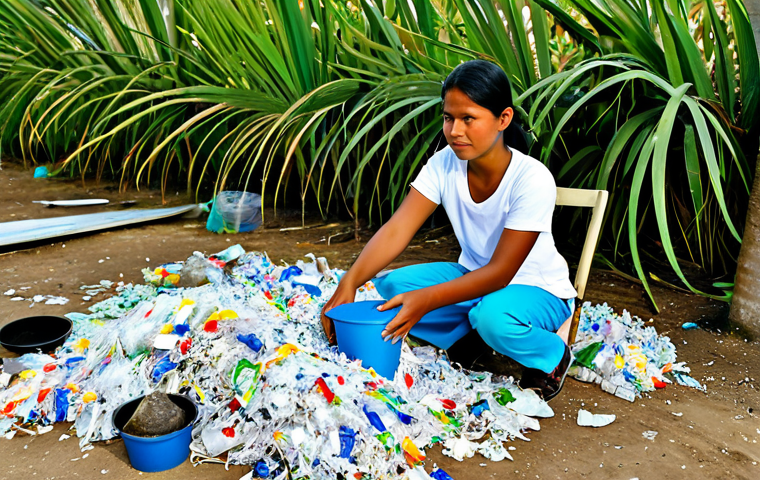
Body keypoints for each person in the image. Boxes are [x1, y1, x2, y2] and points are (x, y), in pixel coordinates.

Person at [320, 60, 577, 401]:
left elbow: (501, 273)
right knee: (393, 287)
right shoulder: (444, 163)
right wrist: (348, 283)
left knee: (493, 317)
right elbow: (398, 229)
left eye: (468, 118)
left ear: (503, 119)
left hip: (537, 291)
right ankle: (467, 343)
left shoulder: (531, 178)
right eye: (448, 117)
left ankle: (551, 355)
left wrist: (427, 300)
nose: (455, 130)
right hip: (474, 276)